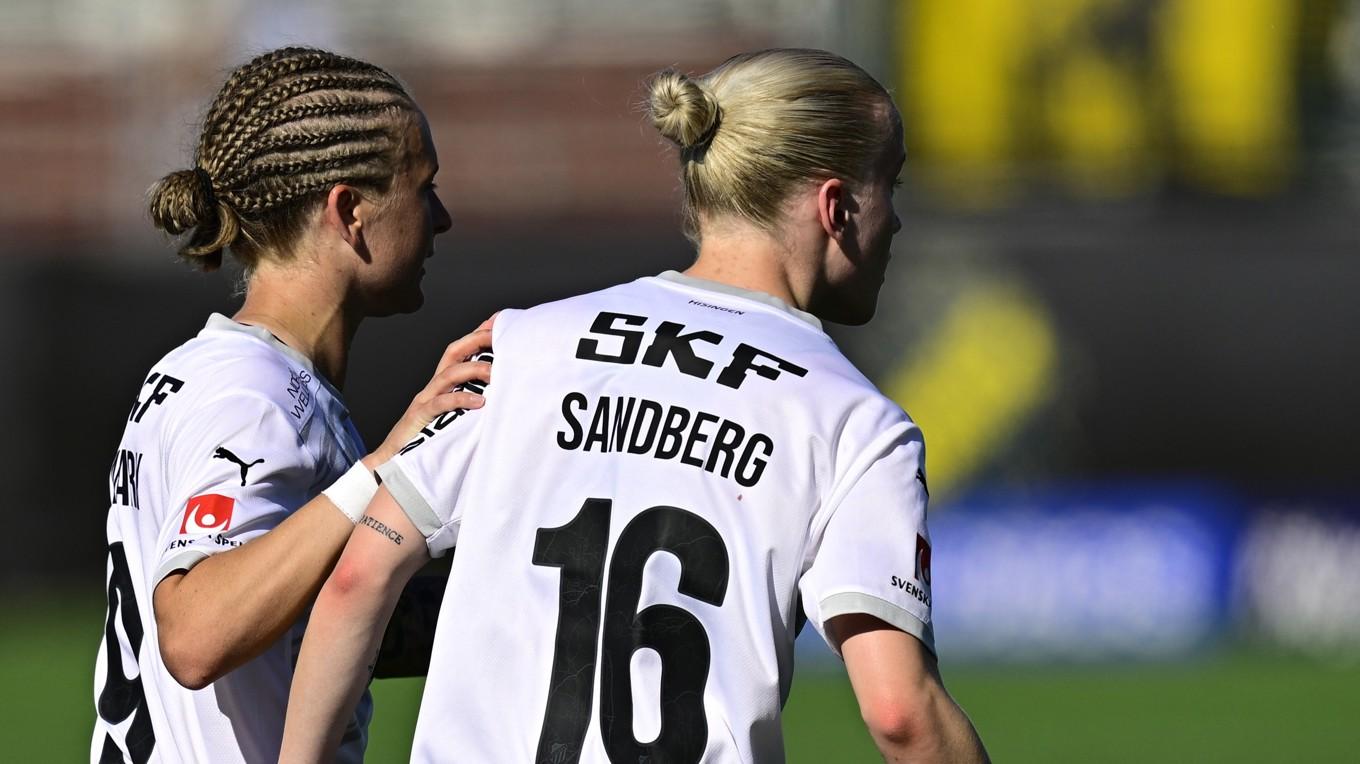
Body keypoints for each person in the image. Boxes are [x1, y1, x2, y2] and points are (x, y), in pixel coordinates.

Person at [281, 48, 990, 763]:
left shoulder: (520, 344)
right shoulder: (856, 424)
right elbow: (901, 712)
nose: (896, 221)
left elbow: (356, 579)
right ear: (836, 207)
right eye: (890, 185)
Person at [92, 46, 493, 764]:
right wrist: (382, 469)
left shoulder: (213, 370)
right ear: (349, 211)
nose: (442, 218)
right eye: (423, 187)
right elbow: (195, 635)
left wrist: (530, 603)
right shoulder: (256, 395)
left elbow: (287, 626)